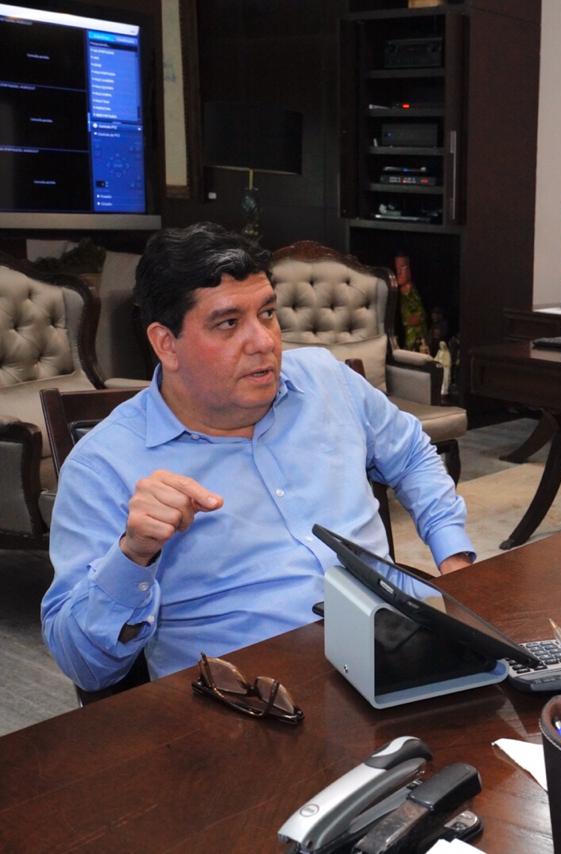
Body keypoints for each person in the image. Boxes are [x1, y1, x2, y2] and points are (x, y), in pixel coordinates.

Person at [42, 223, 475, 691]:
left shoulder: (325, 380)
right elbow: (85, 667)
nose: (265, 341)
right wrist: (133, 555)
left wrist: (455, 559)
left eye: (267, 313)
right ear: (166, 343)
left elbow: (412, 452)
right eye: (228, 323)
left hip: (401, 652)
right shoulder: (104, 465)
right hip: (256, 699)